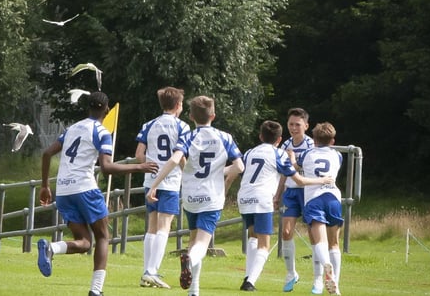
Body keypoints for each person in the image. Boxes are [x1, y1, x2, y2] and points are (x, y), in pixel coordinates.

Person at [36, 91, 159, 296]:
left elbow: (47, 153)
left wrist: (44, 185)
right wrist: (140, 167)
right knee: (103, 236)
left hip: (64, 190)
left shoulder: (71, 129)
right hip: (84, 188)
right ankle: (96, 290)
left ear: (88, 108)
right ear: (106, 109)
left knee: (84, 243)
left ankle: (52, 248)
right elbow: (107, 167)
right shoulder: (101, 132)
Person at [147, 95, 244, 296]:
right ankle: (189, 260)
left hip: (191, 197)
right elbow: (240, 166)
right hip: (212, 197)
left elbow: (174, 160)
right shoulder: (224, 137)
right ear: (213, 116)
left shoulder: (188, 136)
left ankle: (194, 290)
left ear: (191, 116)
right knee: (201, 243)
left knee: (193, 239)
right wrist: (220, 172)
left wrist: (154, 185)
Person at [230, 120, 333, 292]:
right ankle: (250, 282)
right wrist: (322, 180)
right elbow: (298, 180)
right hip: (262, 198)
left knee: (253, 237)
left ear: (260, 136)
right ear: (279, 140)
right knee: (264, 244)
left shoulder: (249, 152)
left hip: (244, 197)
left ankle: (248, 276)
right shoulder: (279, 154)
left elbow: (237, 169)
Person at [135, 87, 191, 289]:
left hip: (150, 180)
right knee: (164, 227)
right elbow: (180, 155)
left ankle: (146, 271)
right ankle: (152, 271)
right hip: (170, 181)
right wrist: (188, 175)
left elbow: (139, 154)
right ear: (178, 105)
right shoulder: (182, 126)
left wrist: (149, 167)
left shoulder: (149, 124)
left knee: (151, 226)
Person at [287, 122, 343, 295]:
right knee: (334, 243)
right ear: (332, 141)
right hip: (333, 197)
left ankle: (326, 265)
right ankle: (336, 284)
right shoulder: (337, 155)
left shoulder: (307, 153)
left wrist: (292, 158)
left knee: (320, 241)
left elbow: (295, 167)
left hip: (314, 198)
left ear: (315, 140)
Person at [274, 107, 314, 292]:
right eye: (290, 124)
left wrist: (291, 161)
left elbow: (301, 167)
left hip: (307, 192)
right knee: (286, 231)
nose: (293, 128)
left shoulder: (311, 145)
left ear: (306, 125)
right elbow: (284, 171)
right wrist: (278, 193)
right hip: (291, 192)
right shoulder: (286, 144)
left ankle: (318, 276)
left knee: (314, 233)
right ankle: (291, 273)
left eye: (297, 124)